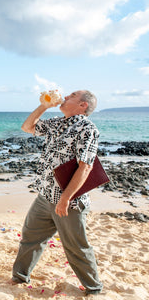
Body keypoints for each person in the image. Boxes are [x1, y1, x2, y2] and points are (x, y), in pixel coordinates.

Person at [11, 90, 103, 295]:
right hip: (45, 196)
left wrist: (65, 198)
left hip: (69, 202)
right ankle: (19, 277)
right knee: (30, 237)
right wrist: (44, 106)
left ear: (83, 105)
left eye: (72, 95)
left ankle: (94, 289)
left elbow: (85, 167)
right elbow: (27, 127)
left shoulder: (87, 128)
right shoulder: (56, 122)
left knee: (76, 247)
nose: (65, 97)